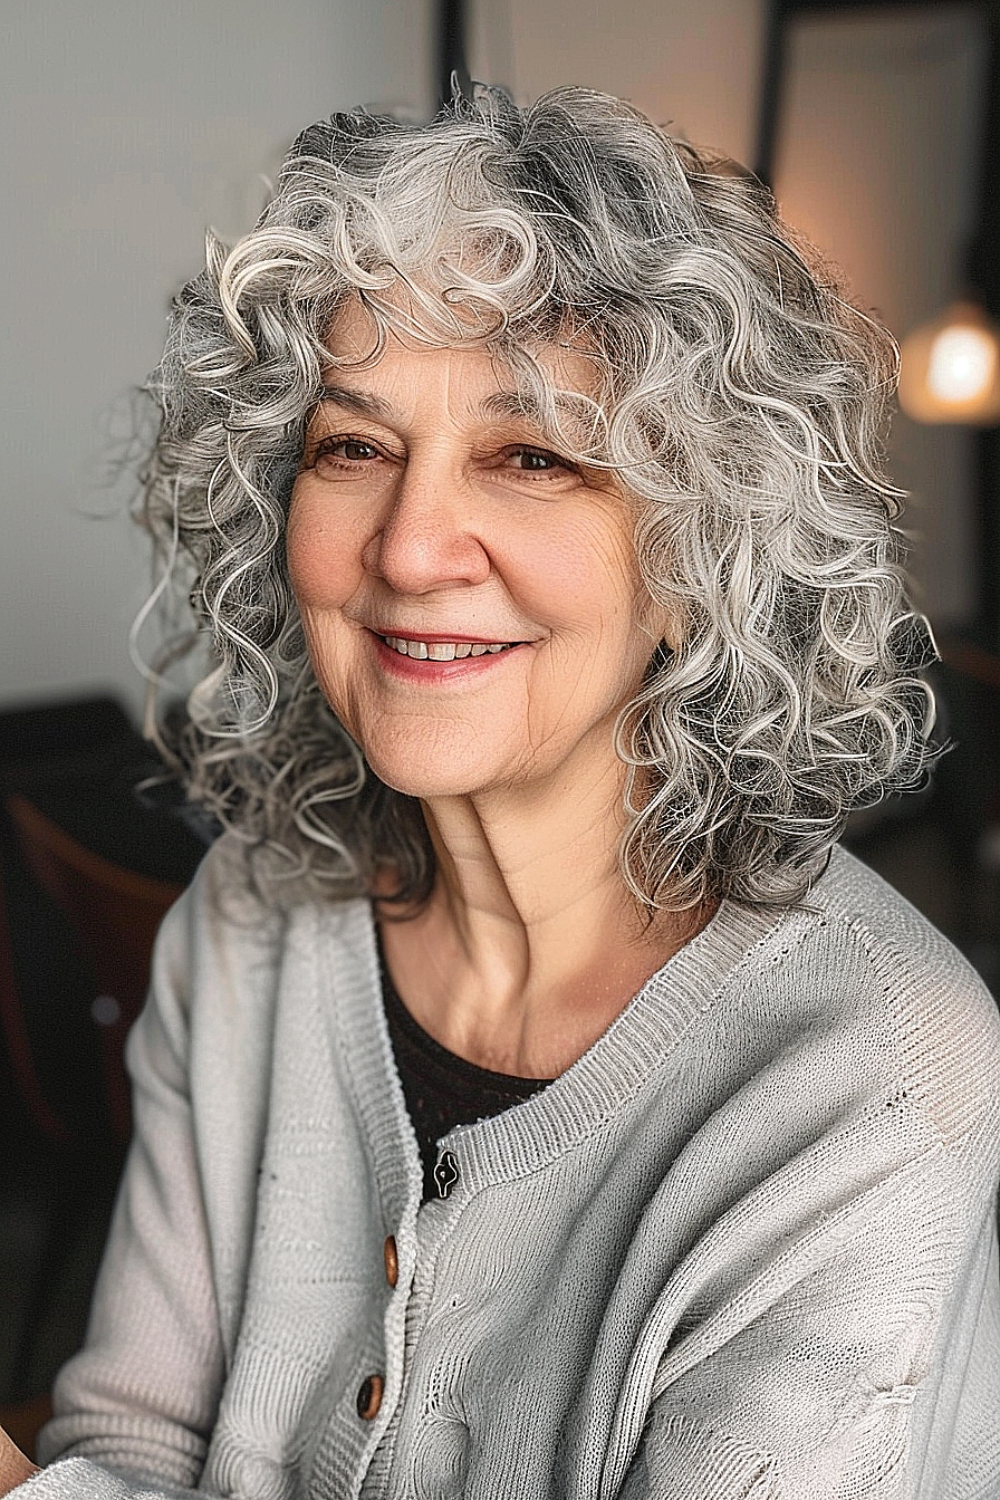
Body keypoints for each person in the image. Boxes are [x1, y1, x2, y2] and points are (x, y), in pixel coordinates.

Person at [4, 84, 999, 1500]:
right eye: (353, 446)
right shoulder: (248, 924)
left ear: (702, 545)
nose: (410, 549)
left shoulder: (873, 1080)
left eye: (532, 455)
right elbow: (137, 1448)